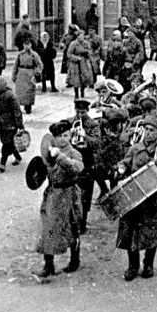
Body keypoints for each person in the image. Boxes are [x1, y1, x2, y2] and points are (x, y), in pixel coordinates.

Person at [114, 116, 157, 280]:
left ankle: (148, 264)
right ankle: (133, 265)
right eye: (146, 129)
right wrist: (121, 167)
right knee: (130, 230)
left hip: (152, 198)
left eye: (152, 130)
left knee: (151, 232)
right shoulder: (135, 149)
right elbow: (125, 162)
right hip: (133, 195)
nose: (148, 133)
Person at [35, 121, 85, 279]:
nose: (63, 139)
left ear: (70, 135)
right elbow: (43, 169)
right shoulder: (49, 154)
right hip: (53, 194)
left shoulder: (74, 153)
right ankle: (48, 264)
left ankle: (74, 260)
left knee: (71, 228)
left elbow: (77, 168)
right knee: (49, 229)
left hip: (69, 195)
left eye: (65, 135)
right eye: (59, 136)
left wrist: (60, 157)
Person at [69, 99, 101, 233]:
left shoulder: (93, 124)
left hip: (87, 162)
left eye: (82, 112)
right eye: (78, 111)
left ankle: (82, 222)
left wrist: (85, 136)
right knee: (72, 192)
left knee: (85, 195)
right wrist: (68, 134)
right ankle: (72, 220)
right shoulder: (70, 121)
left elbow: (97, 143)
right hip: (73, 160)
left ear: (87, 111)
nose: (80, 115)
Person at [12, 39, 43, 114]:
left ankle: (28, 106)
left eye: (28, 44)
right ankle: (20, 105)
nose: (27, 46)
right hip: (21, 73)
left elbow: (40, 65)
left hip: (30, 73)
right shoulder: (20, 54)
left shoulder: (34, 55)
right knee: (20, 91)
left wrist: (37, 72)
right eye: (25, 44)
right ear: (23, 45)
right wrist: (14, 75)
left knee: (29, 90)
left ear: (30, 45)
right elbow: (15, 65)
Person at [66, 29, 95, 99]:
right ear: (77, 36)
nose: (81, 37)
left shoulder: (86, 43)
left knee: (84, 79)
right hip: (75, 65)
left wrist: (88, 53)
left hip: (84, 63)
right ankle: (76, 94)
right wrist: (76, 58)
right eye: (79, 36)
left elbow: (90, 51)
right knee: (76, 80)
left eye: (82, 36)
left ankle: (82, 92)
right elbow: (69, 54)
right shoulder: (73, 44)